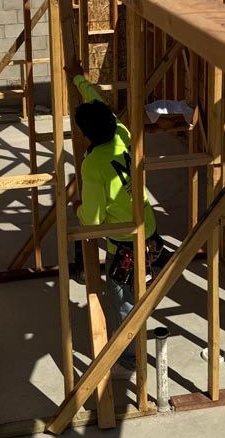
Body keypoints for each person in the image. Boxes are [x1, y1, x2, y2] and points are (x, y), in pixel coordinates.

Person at [67, 59, 166, 378]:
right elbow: (98, 100)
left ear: (86, 134)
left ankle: (129, 355)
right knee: (141, 285)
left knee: (123, 299)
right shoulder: (120, 131)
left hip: (124, 241)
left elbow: (94, 222)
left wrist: (77, 209)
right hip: (147, 226)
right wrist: (79, 80)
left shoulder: (94, 165)